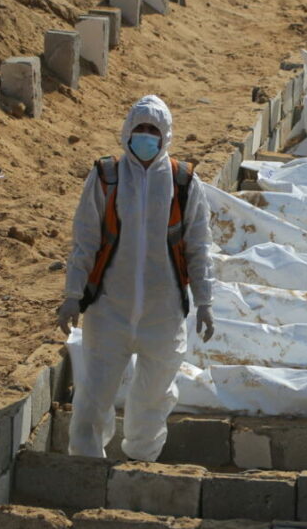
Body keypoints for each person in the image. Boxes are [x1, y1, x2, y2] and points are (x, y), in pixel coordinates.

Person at [56, 95, 215, 460]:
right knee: (93, 396)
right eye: (140, 129)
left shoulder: (183, 182)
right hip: (109, 310)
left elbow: (199, 246)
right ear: (127, 131)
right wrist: (72, 294)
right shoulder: (106, 177)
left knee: (154, 398)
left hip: (163, 314)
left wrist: (205, 301)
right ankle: (85, 467)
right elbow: (85, 240)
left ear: (166, 136)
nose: (146, 136)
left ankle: (140, 463)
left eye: (153, 130)